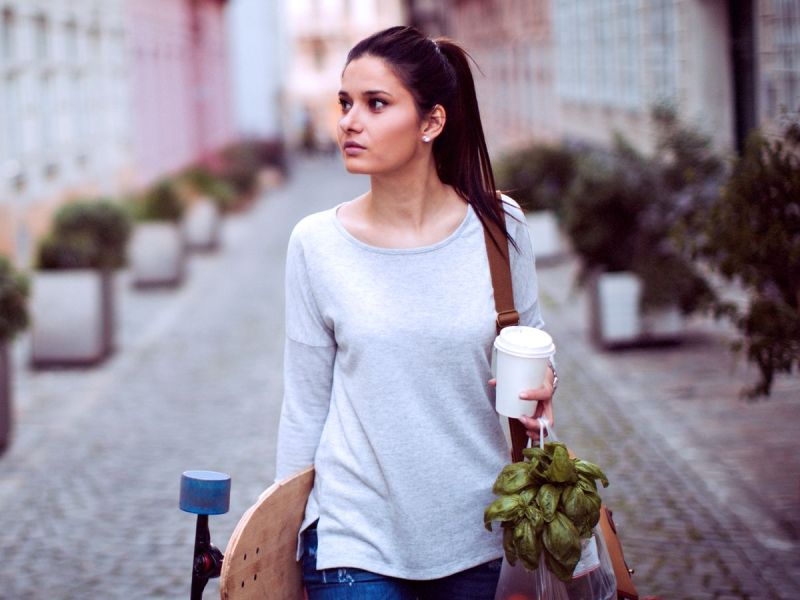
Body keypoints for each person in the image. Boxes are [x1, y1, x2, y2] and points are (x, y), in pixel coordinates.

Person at [275, 25, 557, 599]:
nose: (350, 122)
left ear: (432, 122)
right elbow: (304, 405)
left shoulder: (500, 228)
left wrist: (544, 388)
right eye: (345, 103)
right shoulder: (315, 244)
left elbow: (534, 347)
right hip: (354, 542)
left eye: (376, 104)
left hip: (478, 534)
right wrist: (280, 541)